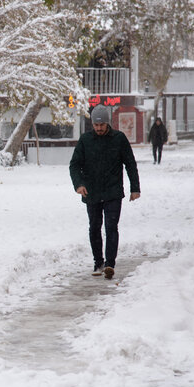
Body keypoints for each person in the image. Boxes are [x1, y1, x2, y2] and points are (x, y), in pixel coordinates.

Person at [69, 105, 141, 279]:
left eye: (101, 125)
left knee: (111, 227)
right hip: (91, 192)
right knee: (94, 228)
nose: (99, 128)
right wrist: (79, 185)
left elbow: (130, 164)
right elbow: (74, 165)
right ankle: (98, 262)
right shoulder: (85, 140)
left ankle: (110, 264)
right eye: (96, 125)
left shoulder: (119, 139)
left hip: (113, 192)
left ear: (107, 123)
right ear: (92, 124)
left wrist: (135, 188)